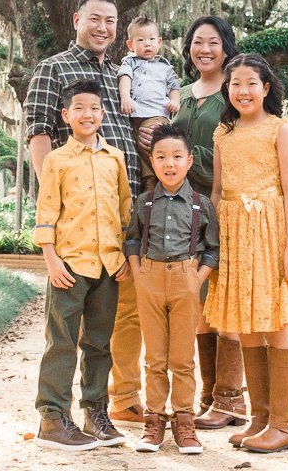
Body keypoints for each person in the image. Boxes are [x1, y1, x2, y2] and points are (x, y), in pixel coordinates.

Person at [24, 0, 147, 425]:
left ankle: (106, 406)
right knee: (64, 332)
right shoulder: (53, 68)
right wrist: (56, 209)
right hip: (75, 227)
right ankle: (53, 416)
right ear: (77, 19)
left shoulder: (120, 75)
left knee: (109, 328)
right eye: (94, 18)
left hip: (117, 225)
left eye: (111, 21)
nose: (102, 28)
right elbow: (39, 135)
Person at [202, 54, 288, 454]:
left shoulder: (279, 130)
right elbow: (217, 191)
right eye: (235, 84)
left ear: (266, 88)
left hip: (269, 231)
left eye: (251, 83)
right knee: (245, 322)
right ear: (226, 89)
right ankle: (262, 419)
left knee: (276, 320)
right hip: (232, 232)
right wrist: (212, 240)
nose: (243, 91)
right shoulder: (222, 133)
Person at [32, 78, 133, 451]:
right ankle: (53, 419)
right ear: (66, 114)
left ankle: (96, 413)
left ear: (103, 113)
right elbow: (46, 213)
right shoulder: (56, 160)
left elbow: (125, 210)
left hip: (108, 266)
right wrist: (51, 259)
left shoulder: (115, 158)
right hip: (69, 266)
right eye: (79, 108)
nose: (87, 114)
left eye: (93, 108)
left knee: (99, 344)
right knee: (61, 342)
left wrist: (124, 255)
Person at [124, 123, 219, 454]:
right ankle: (153, 423)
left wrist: (197, 277)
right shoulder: (144, 202)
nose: (169, 163)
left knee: (182, 358)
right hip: (149, 278)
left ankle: (184, 423)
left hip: (185, 279)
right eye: (161, 156)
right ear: (152, 161)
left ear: (189, 161)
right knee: (155, 357)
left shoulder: (200, 204)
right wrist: (138, 273)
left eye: (177, 156)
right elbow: (133, 239)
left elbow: (212, 248)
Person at [171, 15, 247, 429]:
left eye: (213, 42)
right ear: (188, 48)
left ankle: (232, 399)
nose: (204, 49)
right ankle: (210, 396)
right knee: (200, 303)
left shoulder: (235, 92)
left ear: (226, 47)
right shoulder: (179, 94)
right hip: (183, 210)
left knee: (226, 299)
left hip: (223, 205)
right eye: (197, 42)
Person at [118, 15, 182, 193]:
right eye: (141, 40)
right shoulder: (129, 62)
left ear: (159, 42)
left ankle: (165, 181)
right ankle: (149, 182)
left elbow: (174, 86)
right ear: (130, 45)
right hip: (134, 114)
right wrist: (125, 97)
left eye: (152, 39)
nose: (147, 44)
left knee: (153, 146)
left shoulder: (165, 66)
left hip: (156, 115)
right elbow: (125, 78)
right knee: (139, 150)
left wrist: (174, 100)